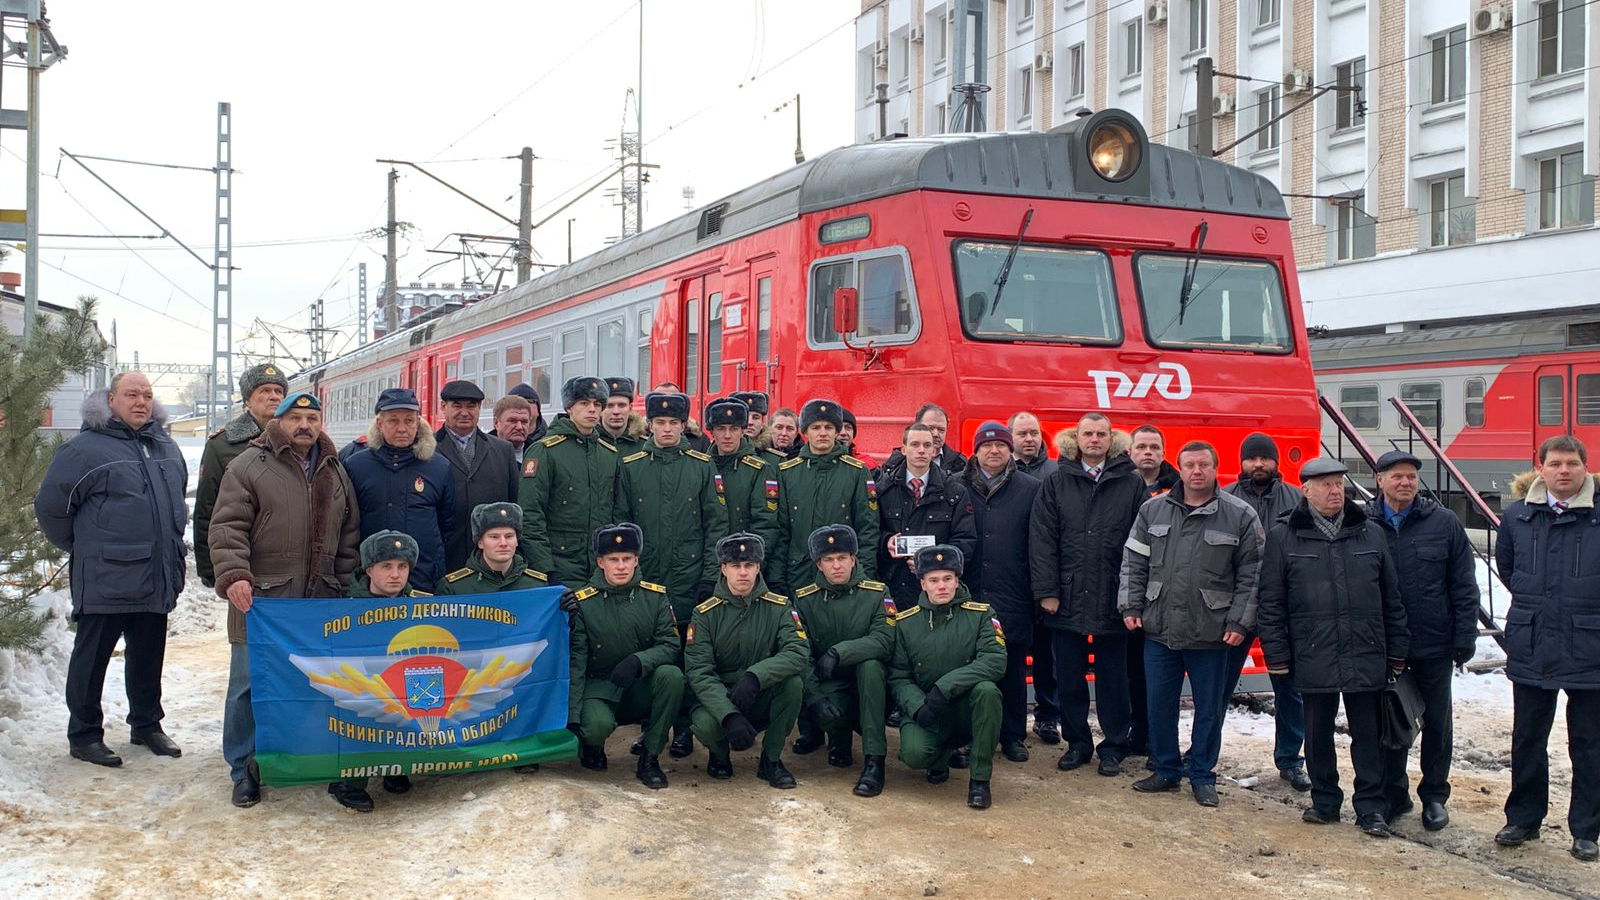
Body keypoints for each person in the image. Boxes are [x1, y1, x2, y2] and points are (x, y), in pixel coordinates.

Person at [206, 391, 363, 809]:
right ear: (278, 420)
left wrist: (346, 586)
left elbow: (349, 536)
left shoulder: (335, 470)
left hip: (319, 600)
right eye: (295, 417)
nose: (305, 426)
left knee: (317, 682)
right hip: (260, 602)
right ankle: (243, 770)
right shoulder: (248, 466)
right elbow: (227, 528)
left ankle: (310, 759)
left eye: (312, 418)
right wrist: (235, 575)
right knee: (248, 686)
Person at [36, 372, 187, 770]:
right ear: (111, 399)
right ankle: (84, 734)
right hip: (106, 575)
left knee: (148, 654)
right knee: (92, 657)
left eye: (148, 395)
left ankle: (147, 725)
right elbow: (52, 509)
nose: (141, 402)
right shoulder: (84, 449)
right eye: (132, 394)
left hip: (154, 572)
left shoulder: (166, 447)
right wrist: (85, 546)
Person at [1257, 457, 1408, 837]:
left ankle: (1371, 807)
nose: (1334, 491)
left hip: (1365, 651)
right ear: (1305, 491)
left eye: (1339, 484)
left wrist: (1396, 649)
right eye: (1324, 484)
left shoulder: (1370, 534)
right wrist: (1277, 656)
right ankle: (1325, 802)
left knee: (1368, 735)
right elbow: (1271, 603)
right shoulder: (1283, 537)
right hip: (1312, 653)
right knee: (1317, 733)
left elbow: (1392, 597)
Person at [1119, 441, 1263, 807]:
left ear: (1216, 468)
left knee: (1209, 707)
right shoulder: (1152, 511)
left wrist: (1240, 622)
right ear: (1179, 469)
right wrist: (1130, 605)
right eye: (1189, 465)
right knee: (1159, 703)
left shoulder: (1240, 515)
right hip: (1159, 627)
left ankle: (1202, 775)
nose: (1196, 471)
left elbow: (1253, 575)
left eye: (1203, 465)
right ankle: (1166, 770)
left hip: (1212, 630)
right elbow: (1133, 562)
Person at [1494, 436, 1600, 862]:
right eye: (1554, 463)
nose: (1563, 471)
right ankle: (1523, 819)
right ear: (1540, 468)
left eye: (1571, 464)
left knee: (1589, 743)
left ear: (1585, 469)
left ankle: (1587, 829)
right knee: (1527, 739)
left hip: (1589, 645)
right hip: (1533, 642)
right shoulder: (1518, 516)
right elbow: (1508, 569)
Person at [1028, 412, 1145, 775]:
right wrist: (1047, 591)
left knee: (1114, 680)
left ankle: (1113, 746)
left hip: (1114, 597)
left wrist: (1132, 596)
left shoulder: (1132, 483)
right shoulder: (1056, 480)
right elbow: (1042, 539)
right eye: (1088, 434)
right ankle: (1077, 742)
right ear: (1076, 439)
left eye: (1101, 434)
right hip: (1067, 596)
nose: (1094, 439)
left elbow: (1142, 543)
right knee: (1070, 677)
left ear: (1112, 440)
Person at [614, 390, 730, 757]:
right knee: (649, 651)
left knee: (686, 652)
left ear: (684, 426)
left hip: (689, 576)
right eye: (660, 423)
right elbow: (622, 524)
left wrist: (710, 577)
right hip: (646, 576)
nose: (667, 429)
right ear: (649, 424)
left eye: (674, 423)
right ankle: (651, 728)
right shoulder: (630, 465)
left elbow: (717, 525)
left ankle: (683, 729)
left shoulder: (701, 465)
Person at [1369, 449, 1480, 832]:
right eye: (1397, 476)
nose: (1405, 482)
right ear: (1379, 480)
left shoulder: (1444, 523)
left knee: (1437, 722)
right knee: (1390, 720)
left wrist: (1464, 635)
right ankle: (1393, 793)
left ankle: (1434, 796)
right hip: (1383, 644)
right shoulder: (1364, 524)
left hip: (1433, 642)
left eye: (1411, 477)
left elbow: (1464, 585)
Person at [1221, 431, 1310, 791]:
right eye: (1252, 458)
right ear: (1241, 462)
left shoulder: (1297, 500)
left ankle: (1290, 759)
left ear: (1276, 462)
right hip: (1235, 609)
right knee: (1218, 687)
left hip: (1282, 611)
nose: (1258, 464)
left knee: (1290, 690)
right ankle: (1204, 753)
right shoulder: (1224, 498)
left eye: (1265, 458)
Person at [684, 533, 808, 788]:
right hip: (722, 698)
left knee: (793, 685)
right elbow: (699, 671)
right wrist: (729, 716)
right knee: (705, 724)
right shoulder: (704, 614)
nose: (743, 573)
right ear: (723, 568)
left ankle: (771, 760)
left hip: (759, 693)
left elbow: (798, 651)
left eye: (749, 565)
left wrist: (755, 677)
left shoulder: (780, 607)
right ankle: (719, 755)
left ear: (758, 567)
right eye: (735, 566)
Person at [567, 523, 685, 789]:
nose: (621, 566)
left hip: (639, 685)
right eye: (613, 560)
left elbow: (670, 644)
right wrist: (573, 717)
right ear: (600, 562)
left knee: (673, 677)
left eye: (627, 559)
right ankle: (592, 746)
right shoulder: (584, 603)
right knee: (595, 726)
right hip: (600, 688)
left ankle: (650, 757)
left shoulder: (654, 598)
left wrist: (639, 661)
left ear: (636, 560)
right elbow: (577, 662)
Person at [889, 545, 1006, 809]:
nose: (941, 586)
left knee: (988, 691)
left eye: (947, 579)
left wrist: (945, 688)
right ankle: (939, 757)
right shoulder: (906, 623)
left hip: (966, 706)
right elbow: (898, 676)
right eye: (934, 580)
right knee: (914, 755)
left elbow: (995, 661)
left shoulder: (981, 615)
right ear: (922, 583)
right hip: (927, 708)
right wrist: (918, 707)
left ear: (957, 580)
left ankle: (979, 780)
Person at [791, 525, 894, 796]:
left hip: (868, 687)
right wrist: (814, 699)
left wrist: (839, 652)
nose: (836, 566)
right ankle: (838, 740)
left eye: (842, 558)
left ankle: (874, 761)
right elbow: (799, 653)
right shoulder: (805, 600)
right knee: (821, 705)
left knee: (871, 666)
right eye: (829, 560)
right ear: (819, 564)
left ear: (853, 559)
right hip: (830, 685)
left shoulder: (877, 593)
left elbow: (885, 640)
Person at [961, 422, 1042, 764]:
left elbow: (1040, 542)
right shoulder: (957, 485)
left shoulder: (1031, 488)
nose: (993, 451)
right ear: (975, 450)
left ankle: (1012, 735)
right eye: (986, 445)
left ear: (1011, 450)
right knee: (966, 665)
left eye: (1000, 445)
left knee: (1011, 669)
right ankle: (968, 733)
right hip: (968, 591)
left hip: (1014, 591)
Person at [341, 531, 432, 807]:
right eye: (386, 566)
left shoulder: (423, 604)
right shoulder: (343, 608)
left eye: (402, 566)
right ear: (369, 570)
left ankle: (396, 766)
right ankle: (348, 781)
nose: (396, 574)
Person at [343, 388, 455, 591]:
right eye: (393, 421)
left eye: (409, 420)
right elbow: (348, 523)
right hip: (371, 582)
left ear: (418, 422)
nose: (402, 428)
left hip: (423, 576)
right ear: (380, 423)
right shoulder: (356, 465)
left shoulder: (439, 466)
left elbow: (447, 523)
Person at [518, 376, 619, 588]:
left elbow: (617, 512)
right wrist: (545, 568)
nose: (592, 409)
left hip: (601, 567)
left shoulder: (609, 454)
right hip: (560, 564)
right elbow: (531, 514)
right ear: (569, 407)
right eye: (584, 403)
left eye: (598, 404)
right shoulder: (545, 451)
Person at [194, 363, 288, 588]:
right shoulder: (223, 445)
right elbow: (207, 509)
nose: (273, 397)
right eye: (264, 391)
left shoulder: (299, 440)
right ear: (247, 400)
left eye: (278, 391)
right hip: (241, 561)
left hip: (286, 562)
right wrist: (211, 569)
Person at [775, 399, 881, 593]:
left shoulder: (856, 472)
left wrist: (862, 573)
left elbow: (868, 529)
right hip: (799, 574)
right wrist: (777, 578)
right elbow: (781, 531)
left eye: (828, 427)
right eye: (815, 427)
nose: (822, 433)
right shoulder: (786, 473)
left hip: (844, 576)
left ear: (837, 431)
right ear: (805, 432)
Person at [876, 422, 977, 610]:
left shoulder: (954, 492)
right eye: (915, 445)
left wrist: (936, 562)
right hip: (893, 589)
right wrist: (886, 542)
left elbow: (965, 540)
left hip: (937, 593)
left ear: (934, 451)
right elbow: (869, 532)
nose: (921, 451)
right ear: (904, 449)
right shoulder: (884, 488)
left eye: (927, 445)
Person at [435, 380, 520, 572]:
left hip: (492, 562)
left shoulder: (502, 450)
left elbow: (514, 502)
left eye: (471, 406)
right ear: (443, 407)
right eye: (457, 406)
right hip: (445, 560)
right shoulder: (427, 450)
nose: (464, 412)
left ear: (480, 408)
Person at [705, 397, 780, 581]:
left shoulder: (759, 470)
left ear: (742, 431)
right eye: (721, 429)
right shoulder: (702, 467)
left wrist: (749, 563)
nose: (728, 435)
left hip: (744, 567)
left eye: (734, 429)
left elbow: (766, 524)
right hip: (707, 567)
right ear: (712, 432)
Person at [436, 502, 550, 594]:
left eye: (509, 536)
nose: (503, 543)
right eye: (494, 537)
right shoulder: (454, 589)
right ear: (480, 542)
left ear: (517, 541)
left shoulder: (537, 586)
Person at [881, 403, 967, 475]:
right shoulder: (895, 462)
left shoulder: (959, 463)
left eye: (941, 430)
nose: (936, 434)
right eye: (930, 428)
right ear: (916, 426)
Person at [1129, 425, 1179, 498]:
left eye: (1155, 447)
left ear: (1163, 454)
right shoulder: (1115, 484)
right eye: (1141, 447)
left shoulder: (1180, 488)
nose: (1148, 452)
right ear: (1129, 452)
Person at [600, 377, 646, 455]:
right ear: (601, 409)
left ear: (630, 408)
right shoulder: (591, 442)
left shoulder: (644, 446)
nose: (616, 412)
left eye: (622, 405)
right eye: (610, 406)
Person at [1009, 411, 1057, 481]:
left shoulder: (1058, 471)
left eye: (1034, 433)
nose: (1029, 439)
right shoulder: (999, 471)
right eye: (1022, 434)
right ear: (1010, 436)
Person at [489, 394, 534, 464]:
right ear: (496, 423)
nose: (519, 427)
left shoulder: (537, 452)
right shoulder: (482, 453)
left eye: (524, 422)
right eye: (512, 421)